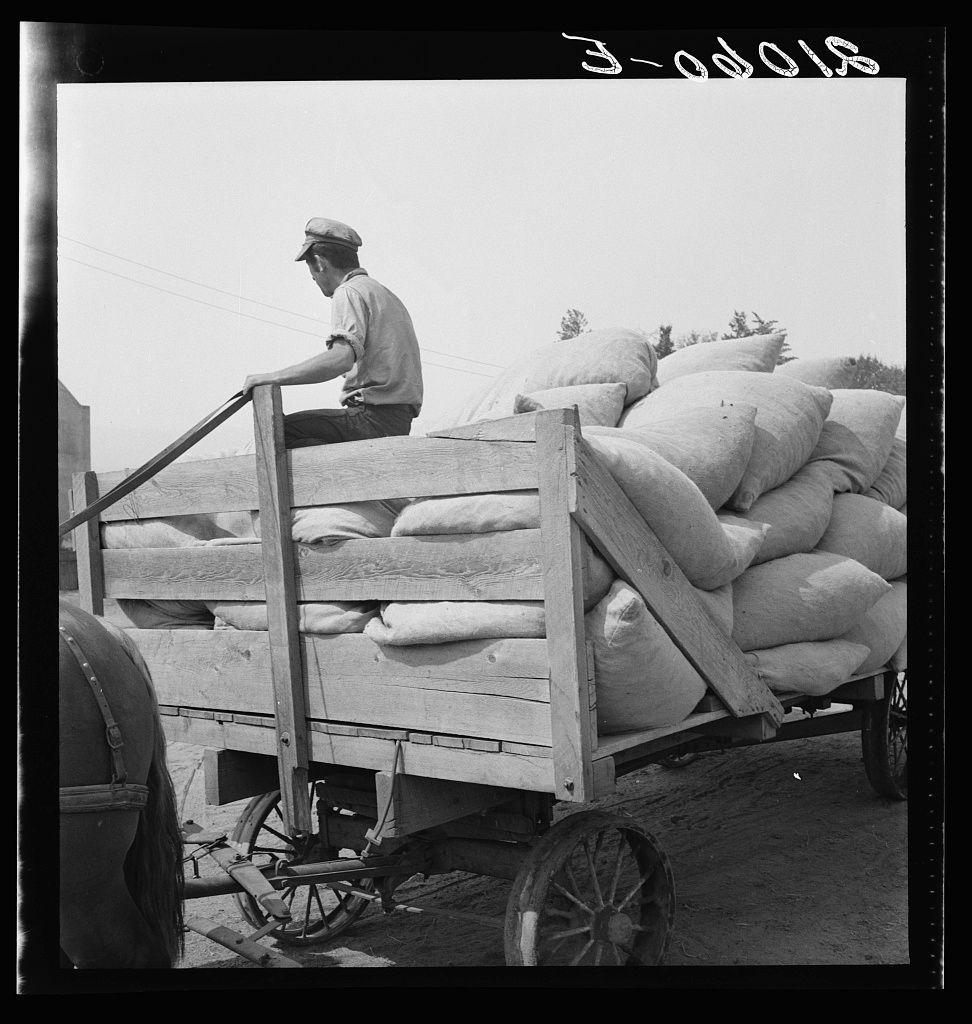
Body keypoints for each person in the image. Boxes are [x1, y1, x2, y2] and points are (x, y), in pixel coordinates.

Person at [242, 218, 423, 448]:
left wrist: (270, 378)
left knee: (279, 432)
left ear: (318, 263)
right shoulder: (383, 293)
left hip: (373, 419)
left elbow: (341, 358)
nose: (312, 277)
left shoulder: (348, 292)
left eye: (310, 268)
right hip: (398, 420)